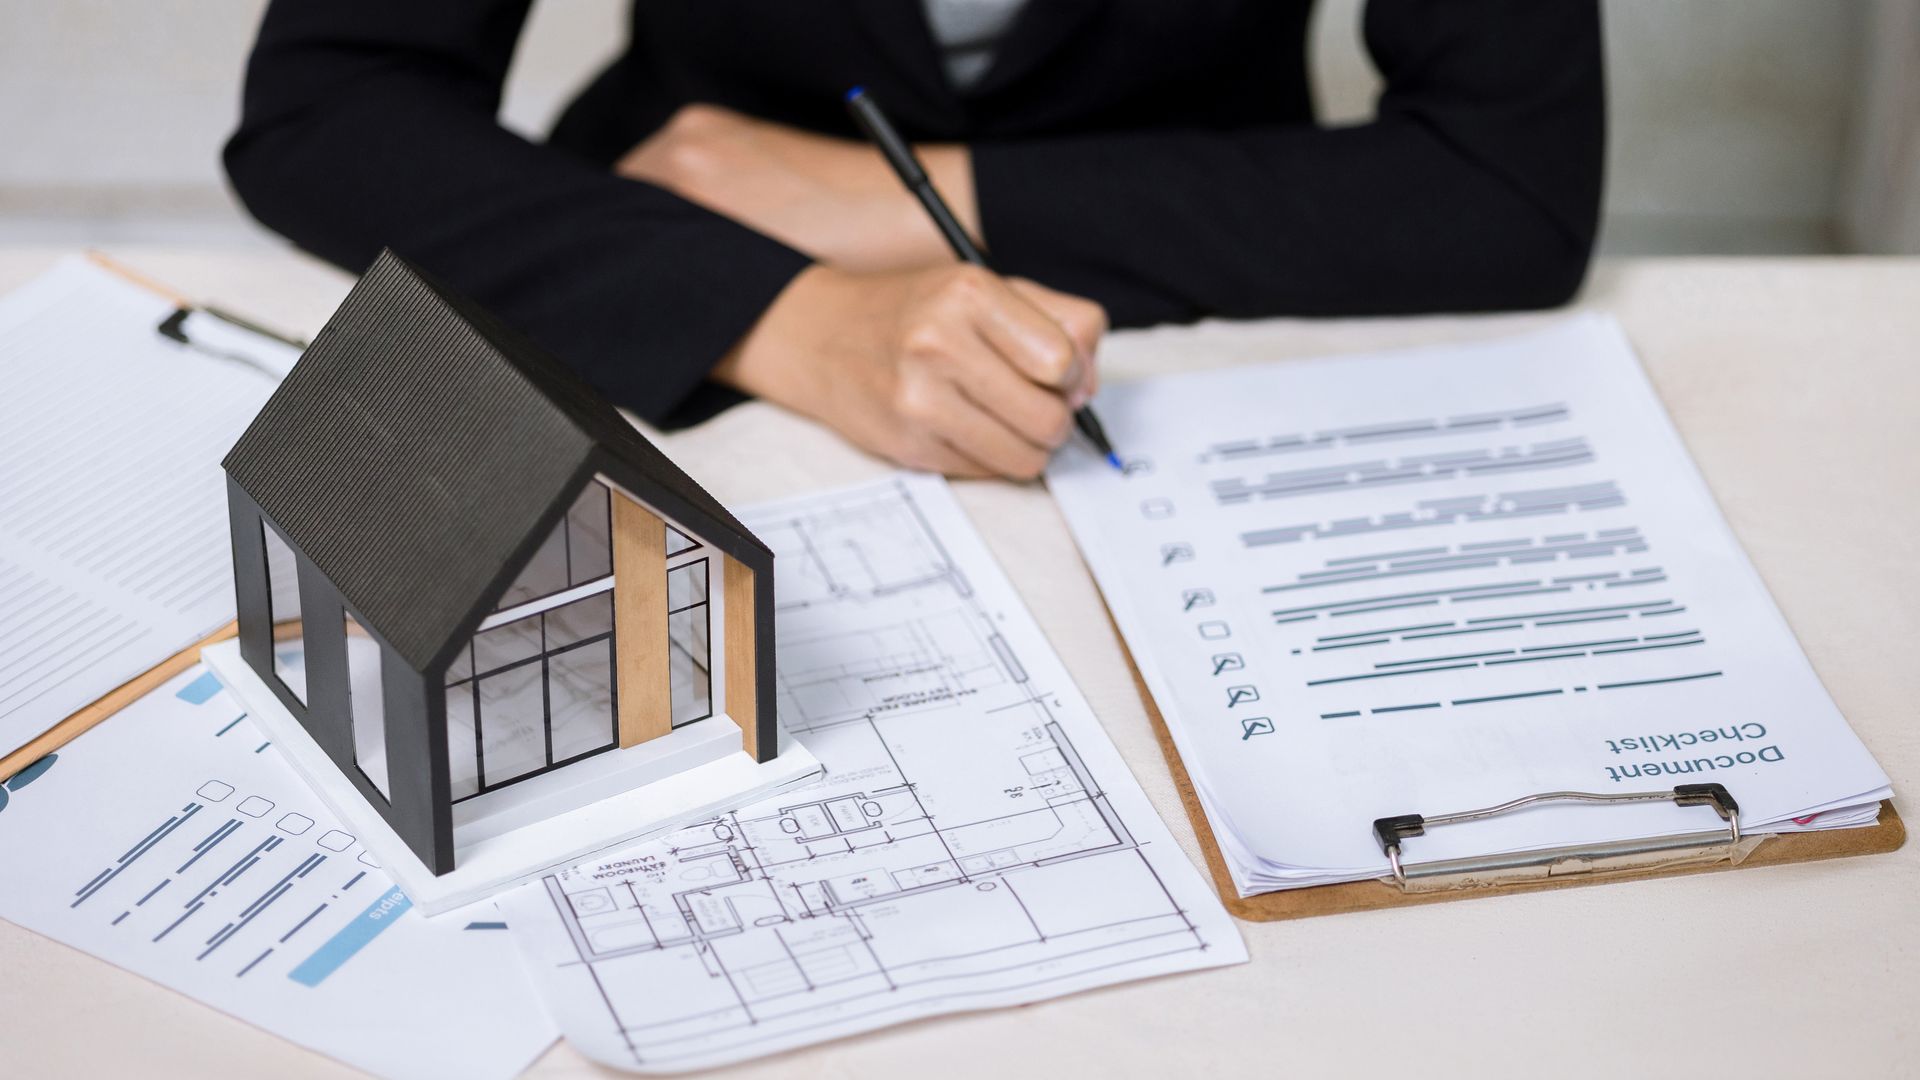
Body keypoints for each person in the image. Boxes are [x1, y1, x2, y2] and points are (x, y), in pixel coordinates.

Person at [224, 1, 1603, 480]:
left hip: (1207, 311)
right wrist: (784, 316)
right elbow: (328, 107)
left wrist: (905, 199)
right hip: (654, 293)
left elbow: (1506, 185)